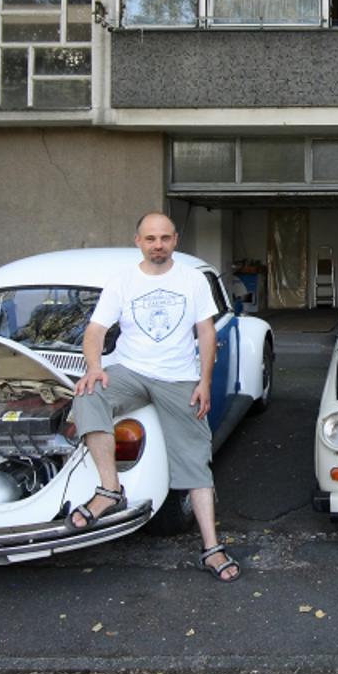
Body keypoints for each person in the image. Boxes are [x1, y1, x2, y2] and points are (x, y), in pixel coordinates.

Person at [69, 212, 240, 582]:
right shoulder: (123, 280)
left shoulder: (192, 280)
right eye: (150, 239)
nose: (158, 245)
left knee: (196, 459)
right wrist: (95, 367)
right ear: (138, 241)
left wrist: (204, 381)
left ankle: (211, 547)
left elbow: (206, 333)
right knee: (87, 394)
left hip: (178, 377)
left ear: (175, 240)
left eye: (164, 238)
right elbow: (96, 329)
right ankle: (110, 489)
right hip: (130, 371)